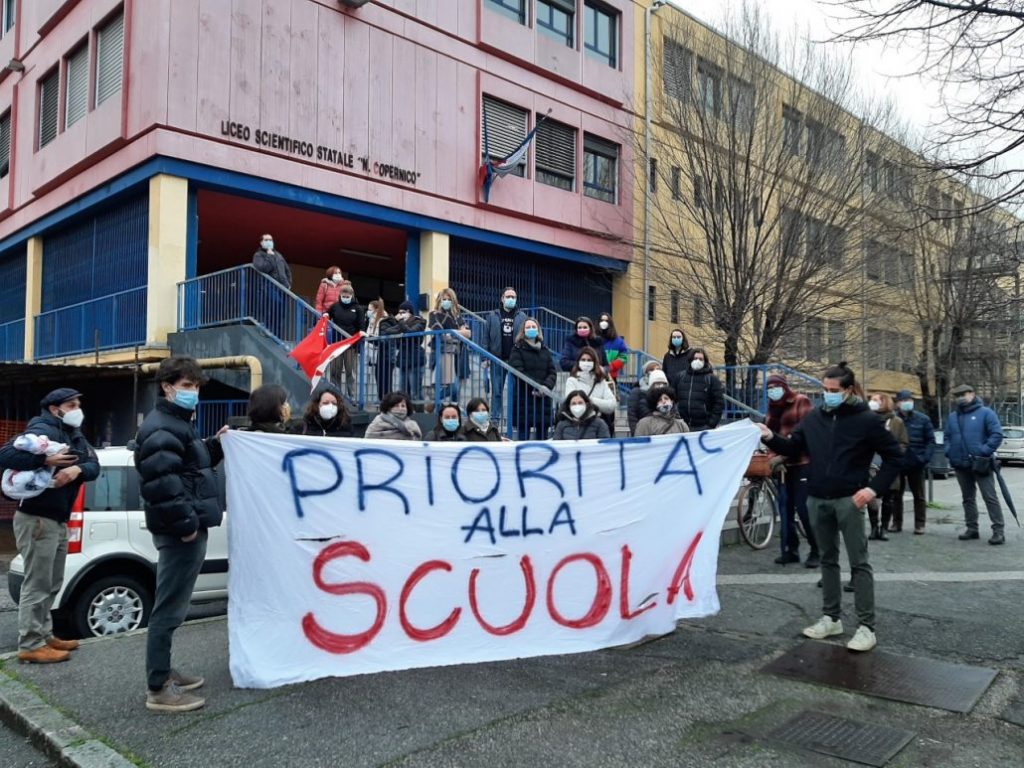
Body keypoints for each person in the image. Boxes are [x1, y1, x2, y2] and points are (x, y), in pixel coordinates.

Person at [759, 363, 903, 653]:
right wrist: (770, 437)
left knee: (859, 563)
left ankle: (866, 627)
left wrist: (872, 489)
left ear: (848, 390)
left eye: (833, 391)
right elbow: (793, 446)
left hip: (850, 499)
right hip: (817, 498)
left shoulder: (866, 420)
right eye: (824, 390)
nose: (827, 395)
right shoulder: (814, 419)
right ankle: (831, 617)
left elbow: (894, 457)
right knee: (827, 559)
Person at [134, 357, 225, 712]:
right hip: (179, 532)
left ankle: (164, 670)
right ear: (167, 387)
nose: (193, 392)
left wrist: (215, 445)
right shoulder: (163, 428)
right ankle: (158, 688)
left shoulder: (176, 424)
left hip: (183, 528)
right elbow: (162, 484)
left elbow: (187, 466)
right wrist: (186, 526)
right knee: (168, 609)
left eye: (197, 386)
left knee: (173, 606)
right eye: (187, 386)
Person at [0, 388, 98, 664]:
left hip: (57, 519)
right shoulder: (42, 429)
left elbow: (93, 464)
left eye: (79, 403)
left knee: (52, 581)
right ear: (56, 408)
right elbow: (6, 455)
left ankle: (44, 635)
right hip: (37, 517)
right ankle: (30, 643)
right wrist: (44, 459)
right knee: (38, 581)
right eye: (71, 404)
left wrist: (76, 470)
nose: (77, 408)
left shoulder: (73, 435)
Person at [765, 374, 819, 568]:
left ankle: (816, 549)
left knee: (804, 509)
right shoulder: (772, 408)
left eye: (776, 387)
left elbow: (805, 436)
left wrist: (783, 456)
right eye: (769, 388)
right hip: (782, 467)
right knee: (785, 509)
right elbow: (770, 437)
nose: (773, 391)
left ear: (784, 387)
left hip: (802, 463)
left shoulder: (800, 402)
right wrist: (773, 458)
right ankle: (791, 549)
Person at [945, 384, 1005, 545]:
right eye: (957, 395)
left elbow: (997, 435)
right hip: (960, 463)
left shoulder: (986, 413)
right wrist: (949, 451)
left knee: (990, 497)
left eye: (963, 394)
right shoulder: (952, 417)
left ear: (972, 394)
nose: (960, 398)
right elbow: (947, 437)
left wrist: (983, 451)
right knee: (968, 498)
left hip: (981, 463)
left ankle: (998, 531)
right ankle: (972, 528)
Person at [866, 393, 909, 539]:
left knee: (888, 498)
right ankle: (873, 527)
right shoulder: (867, 420)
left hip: (888, 464)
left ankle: (883, 528)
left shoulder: (896, 422)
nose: (872, 402)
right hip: (871, 464)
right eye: (871, 400)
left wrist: (894, 454)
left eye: (876, 400)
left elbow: (903, 442)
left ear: (884, 402)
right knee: (870, 497)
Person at [507, 318, 557, 440]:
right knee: (523, 436)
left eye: (533, 327)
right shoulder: (517, 349)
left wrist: (545, 387)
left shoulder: (545, 350)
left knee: (543, 437)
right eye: (528, 327)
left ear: (538, 330)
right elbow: (518, 371)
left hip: (543, 398)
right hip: (524, 397)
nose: (531, 329)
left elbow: (552, 372)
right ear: (523, 331)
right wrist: (537, 387)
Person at [894, 389, 936, 534]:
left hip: (916, 462)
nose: (907, 403)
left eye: (909, 400)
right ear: (898, 403)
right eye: (904, 400)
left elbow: (931, 441)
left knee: (919, 495)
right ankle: (896, 523)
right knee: (896, 495)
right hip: (898, 463)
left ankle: (920, 524)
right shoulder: (893, 419)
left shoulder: (922, 419)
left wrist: (924, 459)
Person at [483, 287, 526, 424]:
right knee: (497, 391)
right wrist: (485, 358)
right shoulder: (492, 316)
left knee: (515, 392)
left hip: (515, 360)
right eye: (508, 296)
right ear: (502, 299)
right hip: (497, 359)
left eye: (513, 297)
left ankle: (514, 420)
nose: (511, 299)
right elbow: (486, 338)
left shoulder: (522, 317)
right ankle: (495, 420)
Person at [428, 288, 471, 404]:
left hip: (459, 354)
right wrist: (458, 332)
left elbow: (468, 333)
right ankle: (434, 402)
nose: (446, 301)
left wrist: (452, 332)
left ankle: (453, 408)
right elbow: (439, 331)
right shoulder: (434, 314)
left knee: (457, 388)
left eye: (449, 299)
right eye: (444, 299)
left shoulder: (457, 316)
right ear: (439, 300)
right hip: (442, 353)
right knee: (452, 386)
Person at [564, 347, 617, 434]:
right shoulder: (572, 381)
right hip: (577, 427)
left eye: (589, 360)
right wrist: (598, 403)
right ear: (578, 362)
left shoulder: (601, 382)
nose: (586, 362)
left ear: (594, 362)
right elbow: (571, 403)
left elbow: (611, 404)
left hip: (598, 427)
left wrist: (591, 400)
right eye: (583, 359)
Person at [327, 283, 366, 399]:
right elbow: (327, 315)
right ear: (340, 295)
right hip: (336, 344)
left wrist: (362, 332)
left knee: (350, 371)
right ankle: (335, 394)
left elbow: (361, 325)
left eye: (347, 296)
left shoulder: (358, 308)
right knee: (335, 371)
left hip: (350, 344)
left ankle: (351, 395)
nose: (345, 298)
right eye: (343, 296)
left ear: (352, 295)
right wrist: (325, 315)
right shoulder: (335, 306)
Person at [671, 347, 724, 430]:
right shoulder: (680, 377)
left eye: (700, 359)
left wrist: (711, 424)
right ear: (690, 360)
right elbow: (672, 398)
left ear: (705, 361)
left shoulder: (712, 379)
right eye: (695, 358)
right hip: (682, 425)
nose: (697, 361)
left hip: (703, 426)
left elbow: (718, 404)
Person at [384, 301, 427, 404]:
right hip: (403, 359)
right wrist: (397, 322)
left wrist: (401, 324)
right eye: (400, 312)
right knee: (403, 393)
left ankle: (420, 414)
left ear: (409, 311)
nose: (401, 314)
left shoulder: (420, 321)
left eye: (402, 312)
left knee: (416, 392)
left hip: (415, 359)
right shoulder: (402, 323)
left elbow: (411, 332)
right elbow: (388, 330)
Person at [366, 299, 396, 401]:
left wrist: (371, 338)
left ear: (376, 310)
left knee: (385, 384)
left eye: (370, 310)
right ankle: (384, 403)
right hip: (381, 356)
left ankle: (388, 404)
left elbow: (384, 341)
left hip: (387, 357)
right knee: (380, 382)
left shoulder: (384, 322)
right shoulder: (374, 322)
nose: (368, 312)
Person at [628, 363, 667, 436]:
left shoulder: (667, 393)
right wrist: (636, 433)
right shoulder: (637, 391)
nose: (655, 371)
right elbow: (632, 415)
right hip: (643, 432)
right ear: (645, 372)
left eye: (658, 369)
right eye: (651, 369)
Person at [597, 312, 629, 382]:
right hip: (593, 376)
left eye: (606, 321)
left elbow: (623, 357)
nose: (603, 322)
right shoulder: (592, 339)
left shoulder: (618, 341)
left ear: (610, 323)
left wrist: (610, 367)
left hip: (610, 376)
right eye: (601, 320)